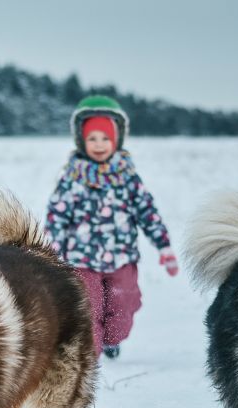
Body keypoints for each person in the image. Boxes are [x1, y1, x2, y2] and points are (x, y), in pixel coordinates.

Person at [45, 95, 178, 359]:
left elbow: (147, 211)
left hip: (121, 257)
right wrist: (50, 251)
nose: (99, 145)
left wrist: (163, 246)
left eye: (105, 138)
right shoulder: (72, 178)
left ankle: (113, 340)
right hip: (81, 258)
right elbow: (57, 216)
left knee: (123, 305)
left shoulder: (127, 178)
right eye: (92, 138)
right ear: (81, 140)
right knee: (87, 307)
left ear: (117, 140)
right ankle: (89, 356)